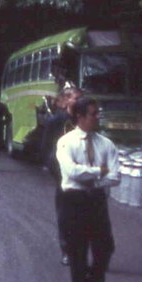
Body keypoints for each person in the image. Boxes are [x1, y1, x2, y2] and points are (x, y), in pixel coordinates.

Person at [56, 96, 119, 282]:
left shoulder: (106, 144)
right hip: (73, 202)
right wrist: (98, 171)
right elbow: (71, 172)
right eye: (93, 113)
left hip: (96, 202)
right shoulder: (65, 142)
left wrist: (93, 179)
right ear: (80, 117)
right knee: (78, 255)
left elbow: (116, 176)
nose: (97, 117)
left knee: (104, 250)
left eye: (97, 113)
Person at [41, 85, 82, 266]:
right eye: (75, 98)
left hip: (84, 173)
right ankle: (66, 249)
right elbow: (46, 148)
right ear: (66, 101)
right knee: (65, 213)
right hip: (63, 174)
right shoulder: (56, 122)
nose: (79, 102)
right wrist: (54, 168)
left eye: (81, 98)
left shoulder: (85, 120)